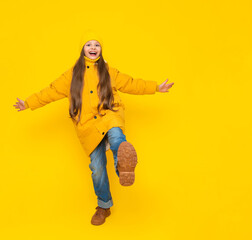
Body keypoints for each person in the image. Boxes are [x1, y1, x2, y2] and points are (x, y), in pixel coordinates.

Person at [13, 29, 174, 226]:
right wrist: (28, 103)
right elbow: (52, 91)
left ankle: (123, 167)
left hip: (109, 114)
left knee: (117, 137)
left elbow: (131, 83)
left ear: (101, 50)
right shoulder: (71, 75)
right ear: (82, 49)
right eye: (89, 44)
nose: (93, 48)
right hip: (88, 125)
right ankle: (104, 206)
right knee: (97, 169)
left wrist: (156, 87)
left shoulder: (109, 71)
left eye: (97, 45)